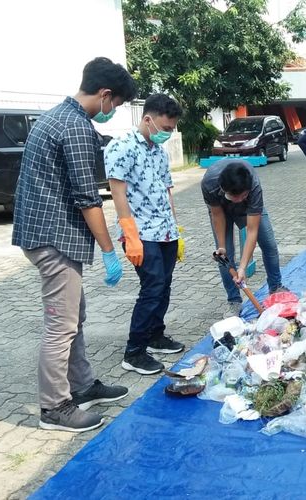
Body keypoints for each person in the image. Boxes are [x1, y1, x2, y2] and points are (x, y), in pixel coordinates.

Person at [11, 57, 137, 432]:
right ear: (105, 95)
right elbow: (87, 199)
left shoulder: (53, 117)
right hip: (55, 239)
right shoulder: (77, 128)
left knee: (73, 319)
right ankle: (54, 407)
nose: (112, 111)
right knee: (60, 327)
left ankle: (82, 386)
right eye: (115, 104)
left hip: (41, 232)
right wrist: (111, 251)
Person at [105, 94, 185, 376]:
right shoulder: (122, 147)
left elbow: (166, 191)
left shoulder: (159, 152)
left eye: (172, 129)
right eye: (165, 128)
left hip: (165, 231)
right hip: (141, 233)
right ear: (148, 119)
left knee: (164, 286)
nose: (168, 133)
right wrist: (130, 234)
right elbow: (117, 192)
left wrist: (176, 229)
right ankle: (134, 351)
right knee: (151, 289)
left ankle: (155, 335)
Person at [201, 160, 286, 317]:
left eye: (244, 195)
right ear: (224, 190)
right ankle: (234, 301)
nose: (240, 199)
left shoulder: (253, 184)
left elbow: (252, 231)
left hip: (248, 209)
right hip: (221, 209)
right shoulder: (209, 184)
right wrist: (221, 246)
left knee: (269, 244)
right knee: (225, 258)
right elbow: (217, 214)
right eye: (236, 197)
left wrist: (242, 267)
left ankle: (275, 287)